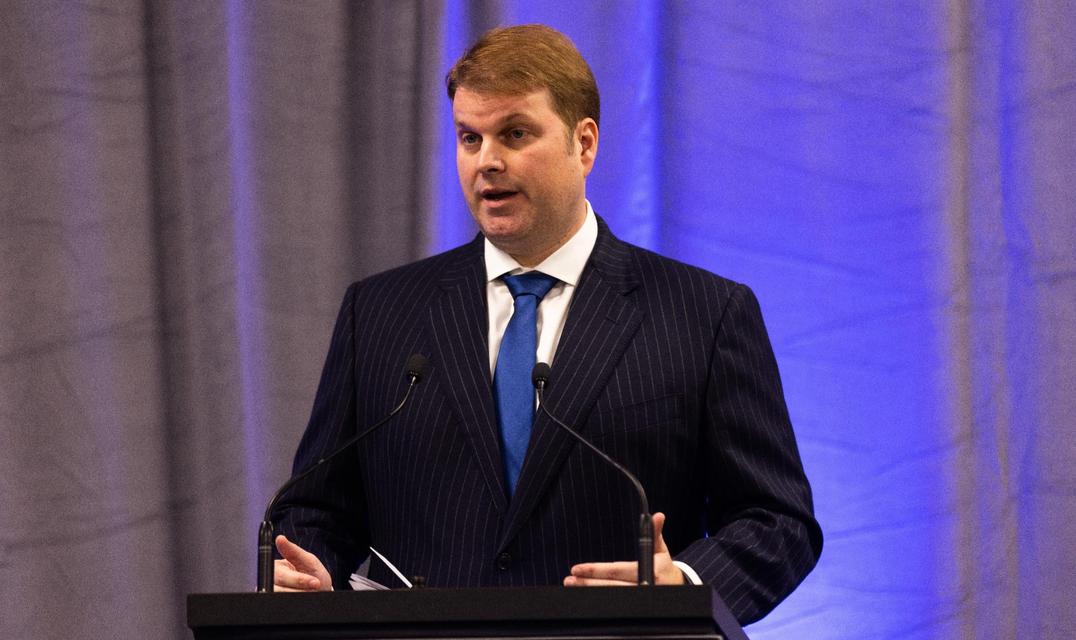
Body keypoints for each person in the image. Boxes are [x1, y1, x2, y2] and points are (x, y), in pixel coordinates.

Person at [270, 24, 821, 624]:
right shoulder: (378, 313)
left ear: (584, 145)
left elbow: (778, 522)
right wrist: (309, 570)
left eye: (514, 134)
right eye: (469, 138)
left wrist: (685, 584)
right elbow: (315, 509)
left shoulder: (704, 313)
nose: (488, 162)